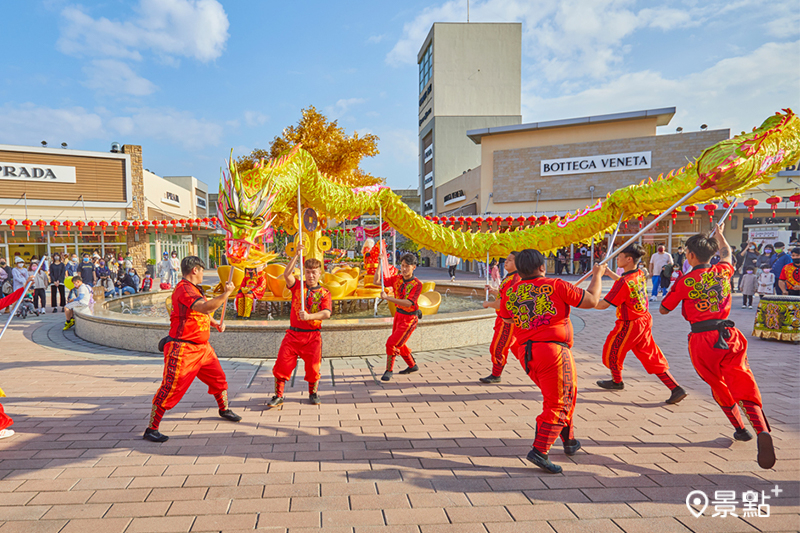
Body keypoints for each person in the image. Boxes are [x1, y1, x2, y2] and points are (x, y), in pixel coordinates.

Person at [660, 226, 775, 470]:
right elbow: (726, 252)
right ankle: (761, 429)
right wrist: (719, 234)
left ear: (690, 255)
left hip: (702, 341)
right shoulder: (723, 270)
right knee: (742, 379)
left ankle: (740, 429)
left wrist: (668, 281)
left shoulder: (685, 280)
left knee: (718, 384)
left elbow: (664, 309)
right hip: (729, 335)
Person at [498, 250, 604, 474]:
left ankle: (569, 440)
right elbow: (592, 300)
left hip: (527, 353)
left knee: (564, 394)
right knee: (559, 402)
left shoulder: (511, 291)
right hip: (552, 352)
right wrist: (597, 275)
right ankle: (540, 449)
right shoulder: (556, 285)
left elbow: (506, 317)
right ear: (542, 266)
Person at [144, 256, 241, 443]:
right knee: (171, 388)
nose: (204, 273)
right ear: (195, 270)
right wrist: (226, 294)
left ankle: (224, 409)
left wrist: (214, 323)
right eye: (202, 270)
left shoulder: (194, 289)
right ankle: (151, 428)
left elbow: (199, 314)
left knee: (218, 378)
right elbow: (204, 307)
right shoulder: (184, 289)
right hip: (183, 349)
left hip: (203, 348)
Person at [595, 244, 686, 403]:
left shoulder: (625, 281)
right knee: (650, 355)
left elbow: (603, 304)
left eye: (620, 255)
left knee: (612, 351)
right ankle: (675, 388)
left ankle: (617, 382)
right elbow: (624, 284)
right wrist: (609, 273)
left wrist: (582, 295)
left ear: (629, 259)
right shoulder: (639, 273)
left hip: (630, 323)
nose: (617, 258)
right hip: (643, 320)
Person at [268, 244, 332, 407]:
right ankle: (278, 395)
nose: (311, 275)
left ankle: (313, 393)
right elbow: (286, 274)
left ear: (319, 273)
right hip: (293, 335)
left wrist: (310, 316)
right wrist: (295, 255)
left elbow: (326, 313)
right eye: (308, 271)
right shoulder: (298, 286)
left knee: (313, 368)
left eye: (314, 272)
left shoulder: (324, 293)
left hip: (312, 337)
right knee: (282, 364)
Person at [377, 253, 423, 382]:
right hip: (398, 315)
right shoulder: (397, 278)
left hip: (409, 319)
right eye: (402, 265)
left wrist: (388, 298)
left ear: (414, 267)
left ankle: (389, 370)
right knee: (400, 343)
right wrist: (380, 264)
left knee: (392, 343)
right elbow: (377, 281)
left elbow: (409, 303)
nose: (404, 269)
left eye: (407, 266)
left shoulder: (417, 284)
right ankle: (412, 365)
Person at [479, 252, 519, 384]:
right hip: (503, 318)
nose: (506, 262)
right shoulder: (510, 277)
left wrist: (488, 304)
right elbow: (503, 294)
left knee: (498, 347)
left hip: (507, 320)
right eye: (506, 259)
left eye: (510, 260)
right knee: (517, 349)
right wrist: (493, 290)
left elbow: (503, 303)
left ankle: (496, 375)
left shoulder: (515, 279)